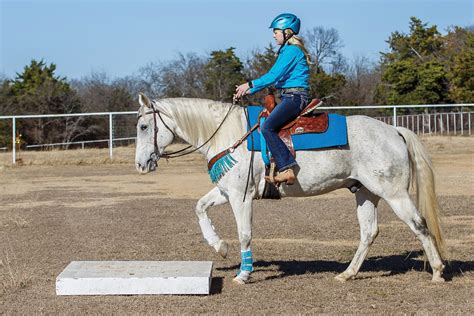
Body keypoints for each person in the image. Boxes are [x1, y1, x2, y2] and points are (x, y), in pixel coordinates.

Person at [234, 13, 311, 185]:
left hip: (294, 97)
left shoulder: (291, 51)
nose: (273, 34)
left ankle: (286, 168)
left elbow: (273, 76)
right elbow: (275, 79)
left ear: (287, 32)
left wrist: (249, 84)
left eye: (276, 31)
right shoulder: (287, 51)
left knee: (268, 127)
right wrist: (249, 90)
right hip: (289, 96)